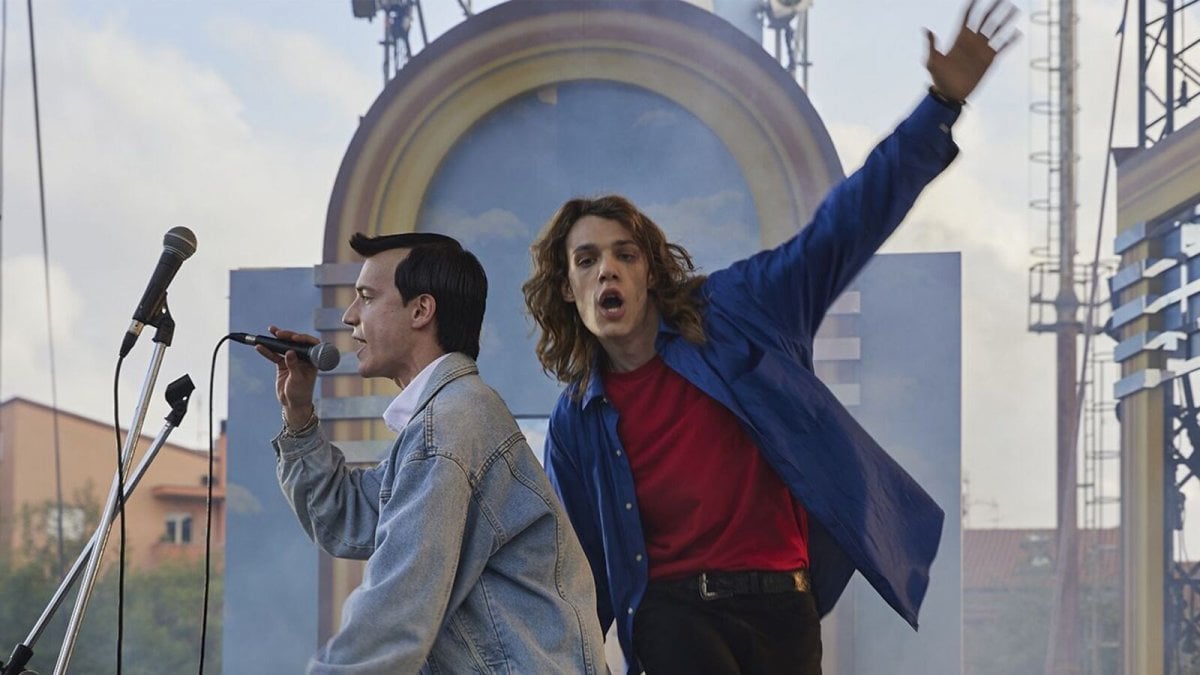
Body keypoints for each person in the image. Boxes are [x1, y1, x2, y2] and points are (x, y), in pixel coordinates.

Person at [521, 1, 1017, 673]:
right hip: (673, 617)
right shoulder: (577, 419)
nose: (607, 268)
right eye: (587, 260)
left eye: (624, 254)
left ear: (650, 272)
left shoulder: (738, 312)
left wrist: (940, 105)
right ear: (568, 290)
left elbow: (842, 228)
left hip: (783, 605)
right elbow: (576, 573)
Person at [261, 232, 607, 674]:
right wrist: (298, 415)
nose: (350, 316)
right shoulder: (448, 418)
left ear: (421, 310)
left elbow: (395, 610)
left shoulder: (449, 424)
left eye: (366, 297)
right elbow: (346, 518)